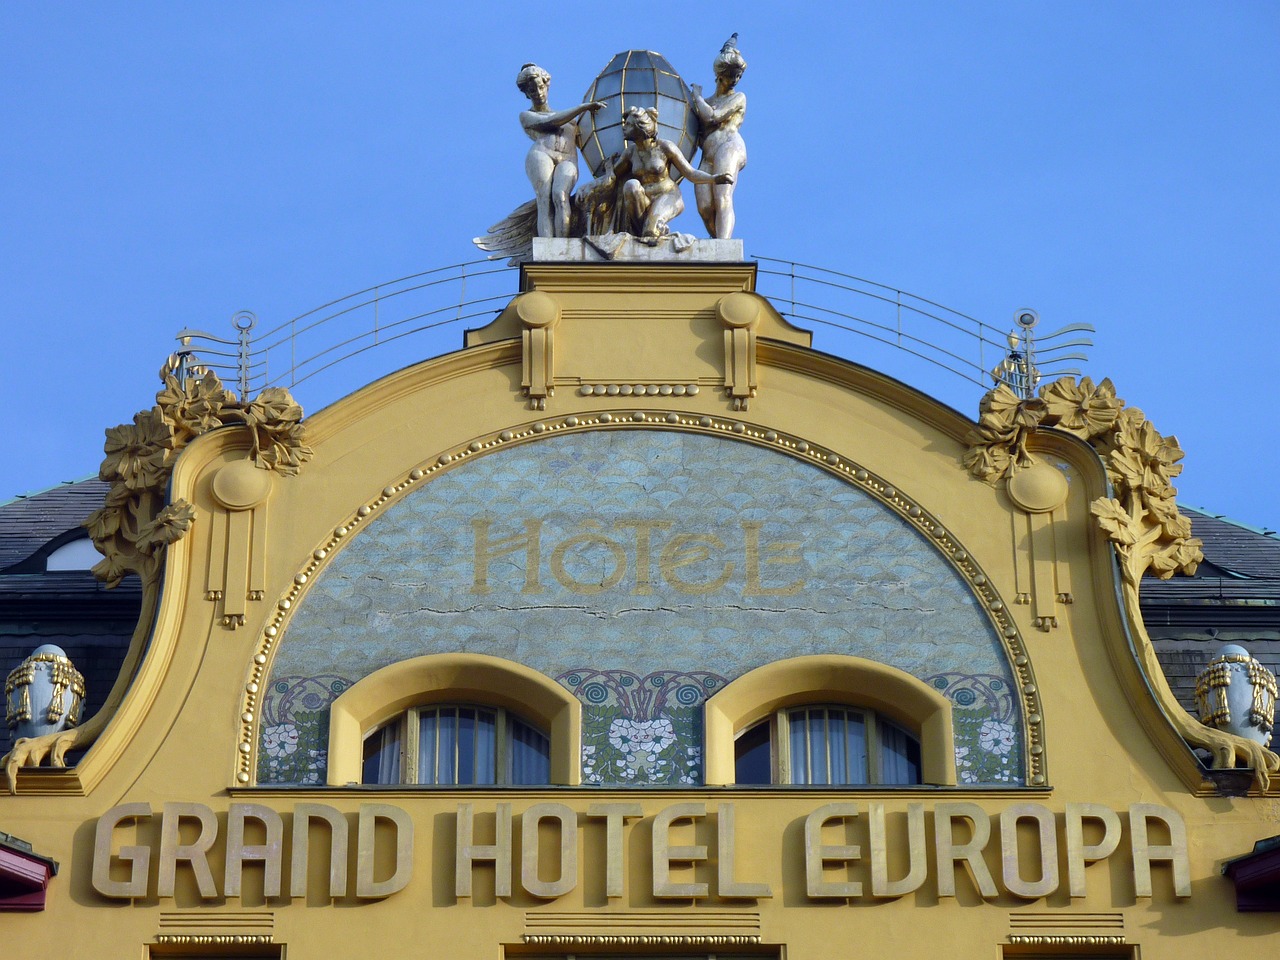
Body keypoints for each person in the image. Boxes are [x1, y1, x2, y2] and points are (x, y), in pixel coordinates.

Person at [613, 107, 733, 243]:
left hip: (667, 196)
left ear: (639, 127)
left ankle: (653, 228)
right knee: (631, 185)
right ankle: (645, 228)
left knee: (651, 233)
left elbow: (690, 173)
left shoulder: (665, 147)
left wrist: (714, 179)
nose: (623, 128)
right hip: (644, 200)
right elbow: (612, 176)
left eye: (628, 125)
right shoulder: (630, 152)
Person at [517, 63, 606, 239]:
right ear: (527, 94)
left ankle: (563, 244)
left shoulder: (573, 122)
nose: (538, 93)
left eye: (540, 87)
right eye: (533, 90)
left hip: (568, 158)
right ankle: (547, 244)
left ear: (546, 85)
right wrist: (583, 107)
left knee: (560, 195)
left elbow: (592, 140)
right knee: (544, 198)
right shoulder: (526, 116)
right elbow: (551, 121)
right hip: (542, 154)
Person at [690, 35, 748, 239]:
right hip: (707, 155)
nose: (735, 80)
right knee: (705, 207)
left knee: (722, 196)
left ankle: (724, 245)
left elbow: (713, 117)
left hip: (729, 146)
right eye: (732, 75)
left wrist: (696, 97)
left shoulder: (738, 98)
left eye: (738, 76)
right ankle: (717, 244)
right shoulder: (706, 101)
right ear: (720, 75)